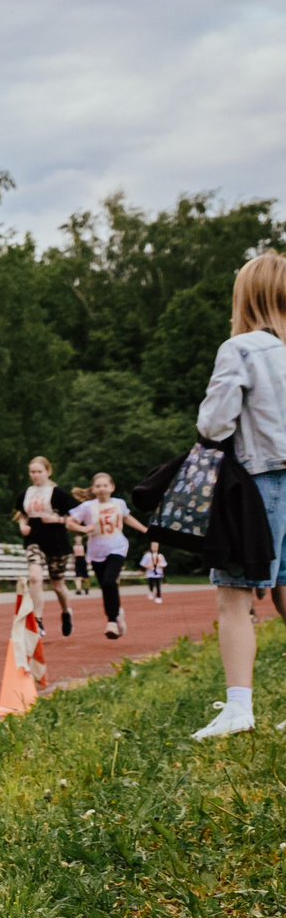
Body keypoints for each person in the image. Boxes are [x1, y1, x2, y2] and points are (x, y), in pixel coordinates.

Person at [189, 252, 286, 740]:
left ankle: (239, 707)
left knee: (234, 594)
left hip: (260, 481)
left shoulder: (243, 348)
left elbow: (214, 423)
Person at [70, 473, 147, 641]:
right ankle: (117, 612)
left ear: (112, 487)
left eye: (105, 485)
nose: (102, 488)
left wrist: (145, 530)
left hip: (117, 547)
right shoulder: (87, 506)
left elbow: (127, 518)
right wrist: (83, 529)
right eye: (98, 486)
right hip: (96, 551)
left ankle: (111, 621)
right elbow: (69, 522)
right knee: (106, 587)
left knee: (109, 581)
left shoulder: (119, 503)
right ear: (93, 489)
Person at [13, 456, 80, 638]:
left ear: (48, 472)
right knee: (34, 577)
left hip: (57, 542)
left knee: (57, 585)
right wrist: (22, 526)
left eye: (39, 472)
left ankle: (66, 612)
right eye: (32, 472)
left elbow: (78, 515)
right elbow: (22, 514)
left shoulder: (58, 493)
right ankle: (38, 619)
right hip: (34, 540)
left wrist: (58, 519)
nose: (35, 475)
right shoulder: (26, 493)